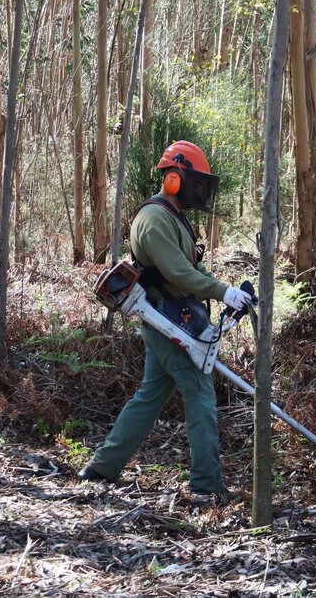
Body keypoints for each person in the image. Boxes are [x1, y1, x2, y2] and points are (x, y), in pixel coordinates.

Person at [78, 140, 254, 504]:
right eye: (196, 181)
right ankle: (207, 486)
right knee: (200, 391)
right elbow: (177, 273)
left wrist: (229, 290)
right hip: (165, 316)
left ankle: (101, 468)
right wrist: (223, 293)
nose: (201, 190)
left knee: (150, 394)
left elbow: (191, 266)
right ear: (175, 179)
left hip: (175, 314)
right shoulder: (154, 219)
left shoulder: (172, 217)